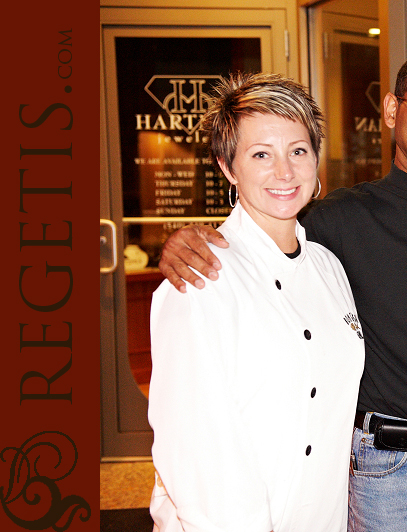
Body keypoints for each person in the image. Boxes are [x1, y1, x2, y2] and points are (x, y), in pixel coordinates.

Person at [157, 52, 407, 532]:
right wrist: (186, 239)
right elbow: (259, 233)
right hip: (391, 470)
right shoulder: (338, 220)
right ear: (392, 111)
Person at [147, 73, 365, 531]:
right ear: (228, 167)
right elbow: (195, 448)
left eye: (298, 151)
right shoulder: (201, 275)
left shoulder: (329, 267)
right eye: (261, 154)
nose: (284, 172)